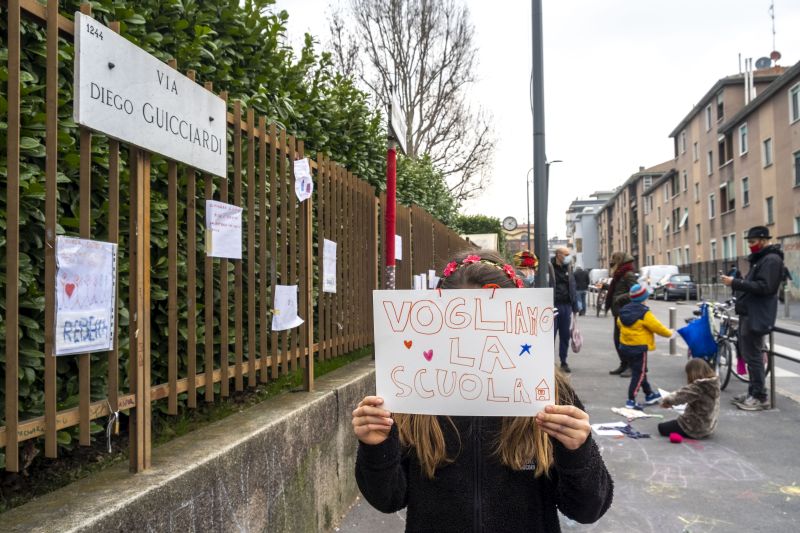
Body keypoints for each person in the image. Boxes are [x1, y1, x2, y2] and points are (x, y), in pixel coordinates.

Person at [352, 251, 614, 532]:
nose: (478, 342)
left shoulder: (550, 394)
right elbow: (389, 498)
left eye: (492, 324)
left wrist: (577, 451)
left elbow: (587, 509)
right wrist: (377, 447)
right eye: (460, 324)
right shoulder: (413, 395)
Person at [721, 226, 784, 411]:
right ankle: (752, 392)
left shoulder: (771, 260)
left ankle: (759, 396)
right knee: (749, 355)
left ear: (763, 241)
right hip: (749, 313)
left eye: (752, 242)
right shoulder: (762, 259)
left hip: (757, 314)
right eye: (748, 242)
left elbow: (765, 287)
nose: (750, 246)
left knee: (754, 356)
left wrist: (736, 282)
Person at [616, 284, 672, 409]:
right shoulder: (644, 313)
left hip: (625, 346)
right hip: (639, 347)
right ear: (643, 298)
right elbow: (657, 327)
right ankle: (631, 399)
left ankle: (649, 394)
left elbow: (619, 323)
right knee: (639, 373)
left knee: (640, 371)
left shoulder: (624, 310)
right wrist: (669, 333)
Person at [658, 359, 720, 439]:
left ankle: (684, 433)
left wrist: (667, 400)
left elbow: (680, 396)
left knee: (661, 427)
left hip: (694, 427)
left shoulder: (699, 386)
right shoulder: (714, 383)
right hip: (708, 425)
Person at [606, 252, 639, 377]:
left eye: (613, 259)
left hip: (626, 312)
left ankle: (631, 366)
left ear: (619, 260)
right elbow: (618, 289)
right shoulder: (619, 274)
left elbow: (636, 291)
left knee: (625, 341)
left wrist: (620, 297)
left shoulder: (628, 274)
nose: (611, 262)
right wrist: (607, 288)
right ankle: (624, 364)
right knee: (618, 340)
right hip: (618, 312)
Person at [549, 247, 579, 373]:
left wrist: (575, 306)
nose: (567, 257)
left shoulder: (569, 268)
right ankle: (548, 361)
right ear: (558, 254)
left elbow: (573, 286)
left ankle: (563, 361)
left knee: (565, 335)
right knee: (551, 335)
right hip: (553, 305)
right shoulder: (549, 267)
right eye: (565, 254)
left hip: (566, 305)